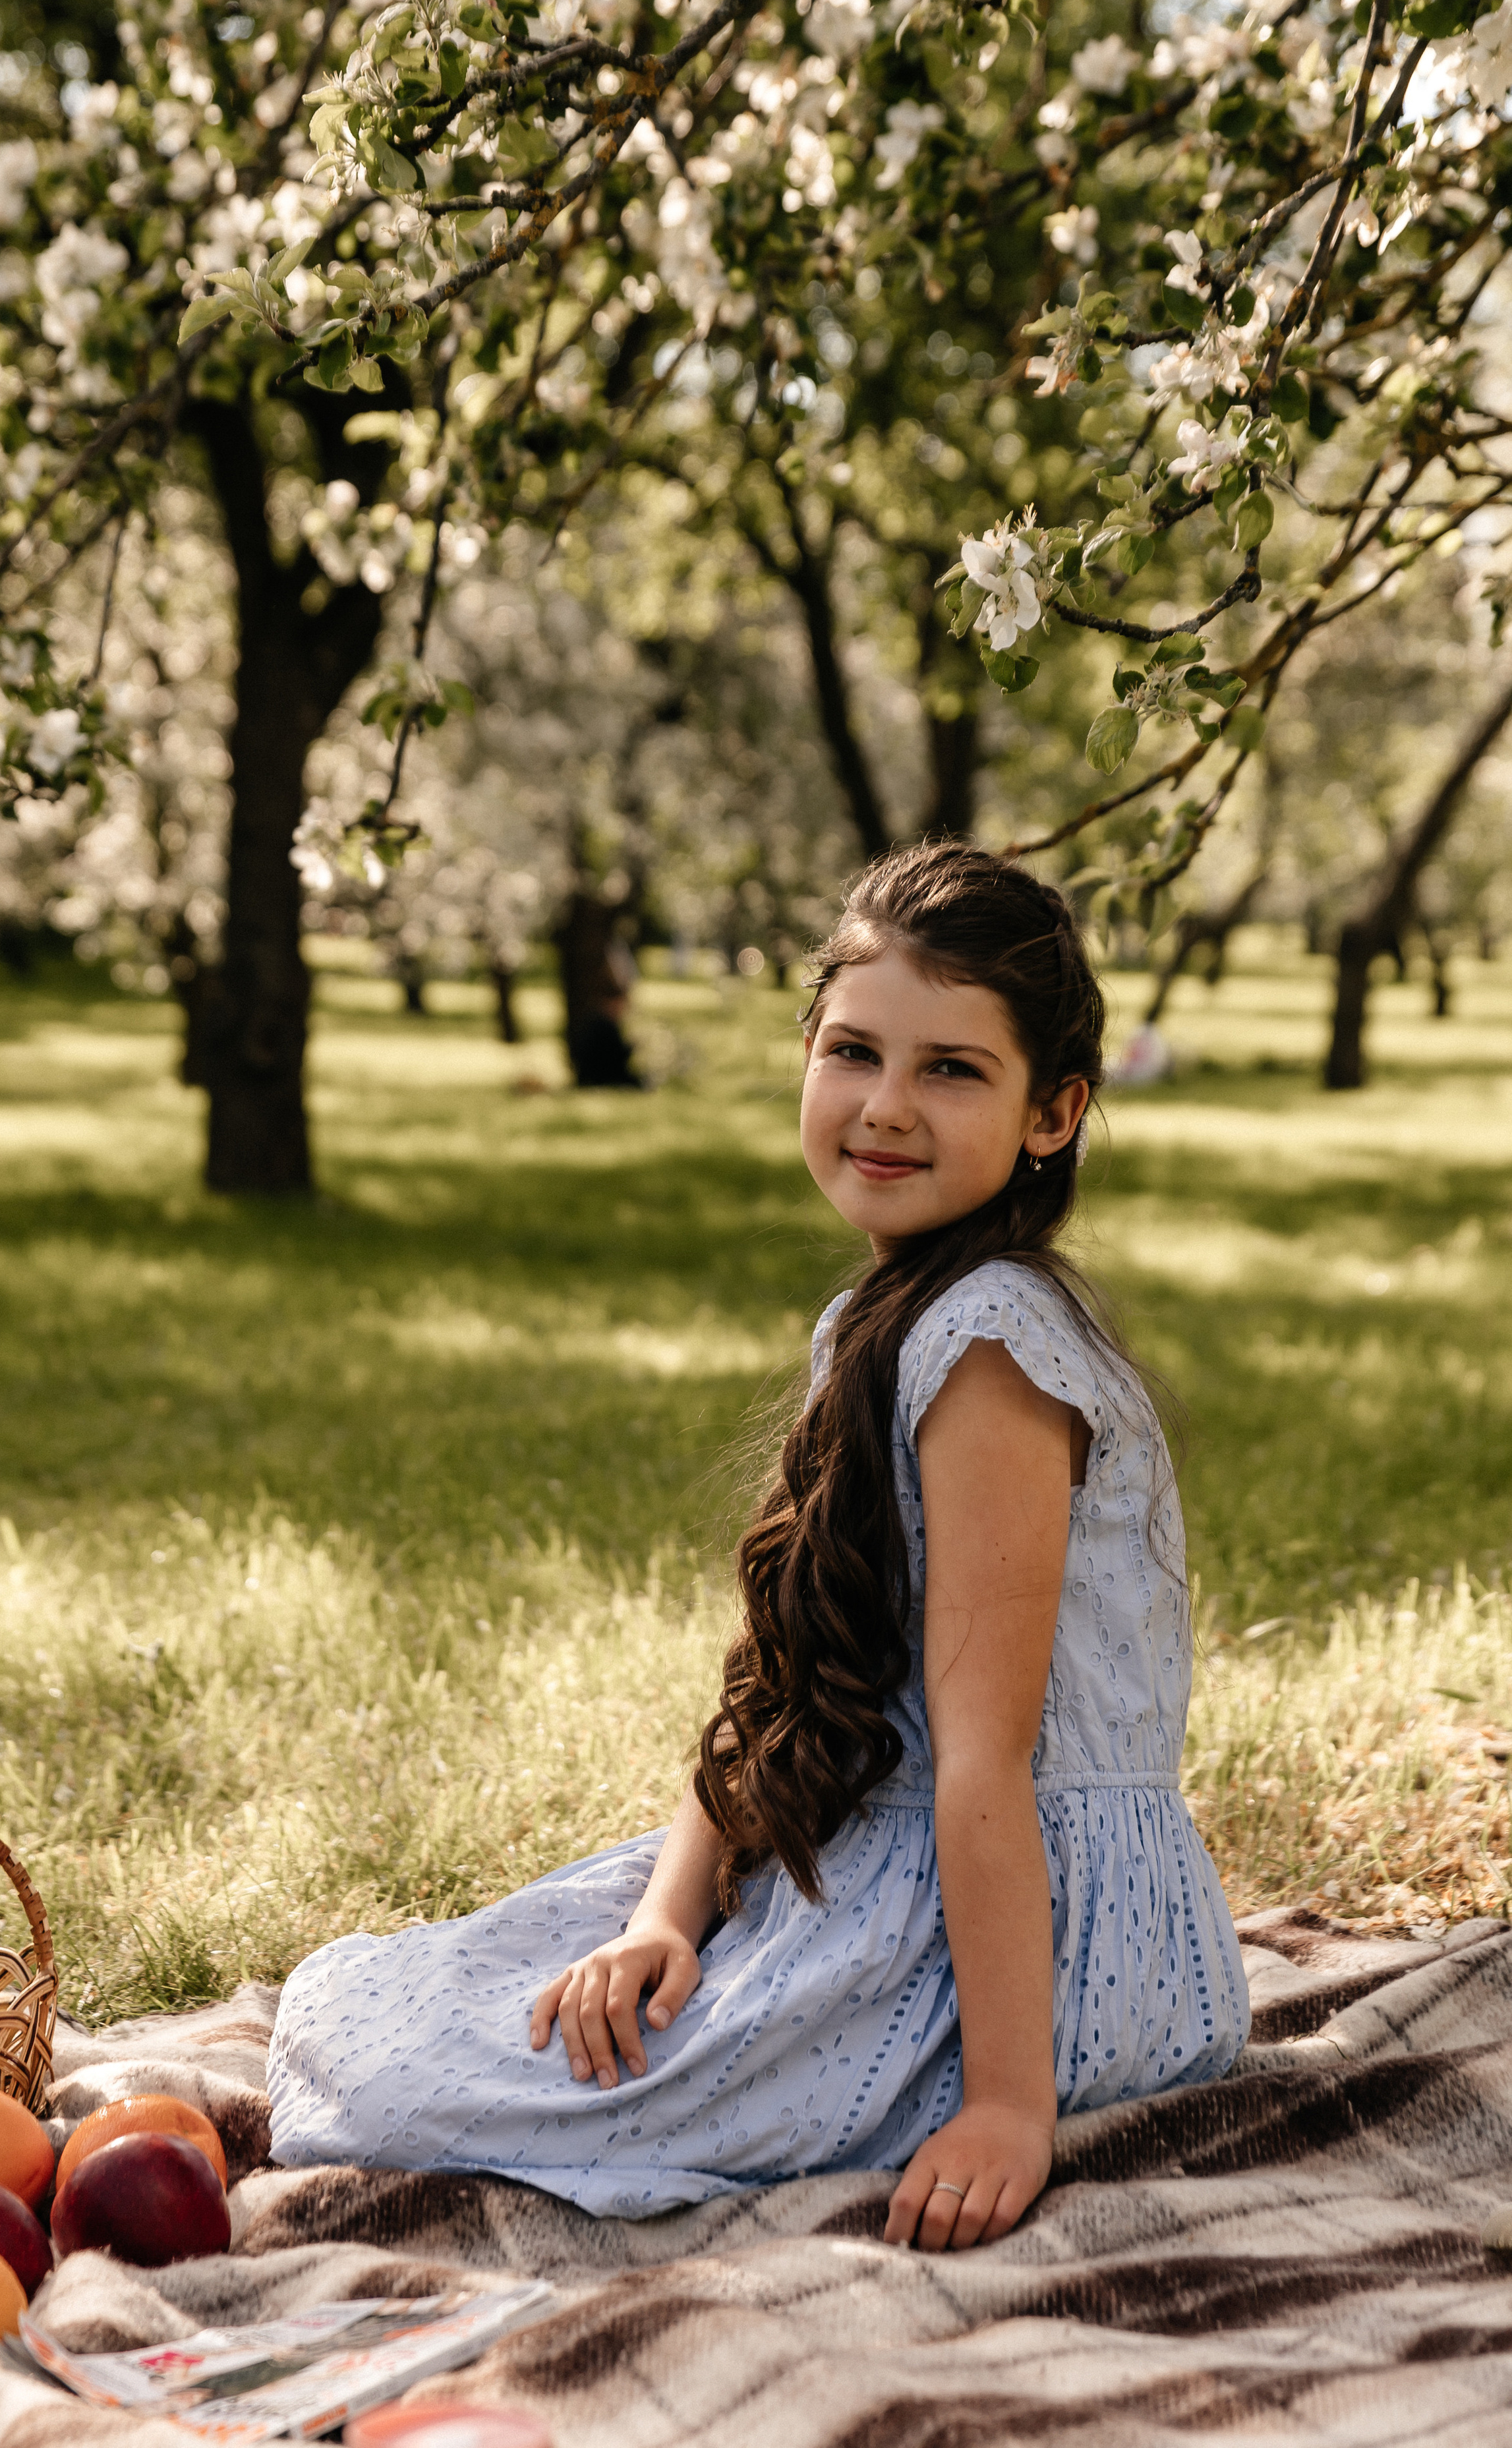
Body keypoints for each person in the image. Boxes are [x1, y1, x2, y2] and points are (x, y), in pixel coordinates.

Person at [268, 841, 1249, 2248]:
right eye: (853, 1051)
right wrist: (669, 1914)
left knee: (404, 2071)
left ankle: (918, 2066)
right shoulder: (886, 1321)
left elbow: (985, 1767)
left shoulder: (988, 1355)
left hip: (1039, 1961)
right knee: (488, 1985)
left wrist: (1005, 2108)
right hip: (899, 1859)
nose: (885, 1108)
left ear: (1054, 1111)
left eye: (952, 1070)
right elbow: (789, 1678)